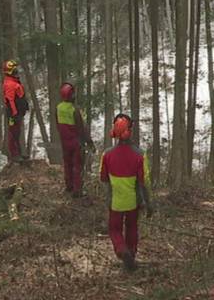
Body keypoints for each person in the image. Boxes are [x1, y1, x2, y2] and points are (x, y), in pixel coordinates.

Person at [100, 114, 153, 271]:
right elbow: (145, 182)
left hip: (115, 201)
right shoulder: (139, 155)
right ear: (129, 131)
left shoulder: (107, 155)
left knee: (114, 229)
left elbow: (103, 178)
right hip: (133, 202)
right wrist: (148, 203)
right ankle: (131, 253)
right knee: (131, 227)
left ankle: (122, 250)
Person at [56, 82, 92, 196]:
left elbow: (57, 124)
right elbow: (81, 128)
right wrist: (89, 141)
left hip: (64, 141)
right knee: (77, 166)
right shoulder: (74, 110)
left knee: (67, 164)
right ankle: (77, 190)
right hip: (76, 142)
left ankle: (69, 186)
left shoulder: (58, 108)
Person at [2, 60, 29, 163]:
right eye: (15, 70)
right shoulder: (9, 84)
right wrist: (14, 113)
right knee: (13, 134)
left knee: (17, 133)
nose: (17, 71)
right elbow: (9, 100)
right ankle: (14, 155)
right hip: (13, 113)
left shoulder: (14, 81)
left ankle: (19, 153)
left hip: (17, 112)